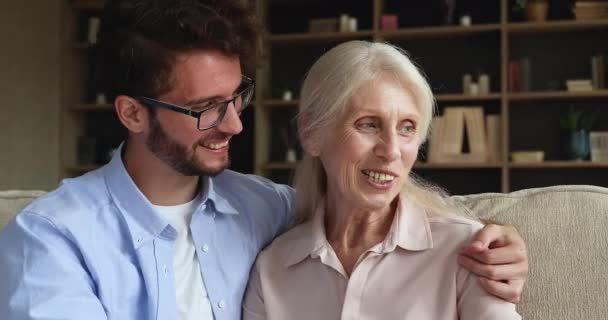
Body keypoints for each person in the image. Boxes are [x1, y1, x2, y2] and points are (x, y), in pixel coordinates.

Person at [0, 1, 526, 319]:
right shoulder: (53, 237)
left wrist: (500, 235)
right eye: (206, 109)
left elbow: (370, 198)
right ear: (133, 113)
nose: (234, 124)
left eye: (237, 98)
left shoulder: (265, 209)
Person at [242, 41, 522, 319]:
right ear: (311, 133)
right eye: (368, 124)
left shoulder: (468, 251)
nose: (391, 151)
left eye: (407, 128)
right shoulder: (272, 269)